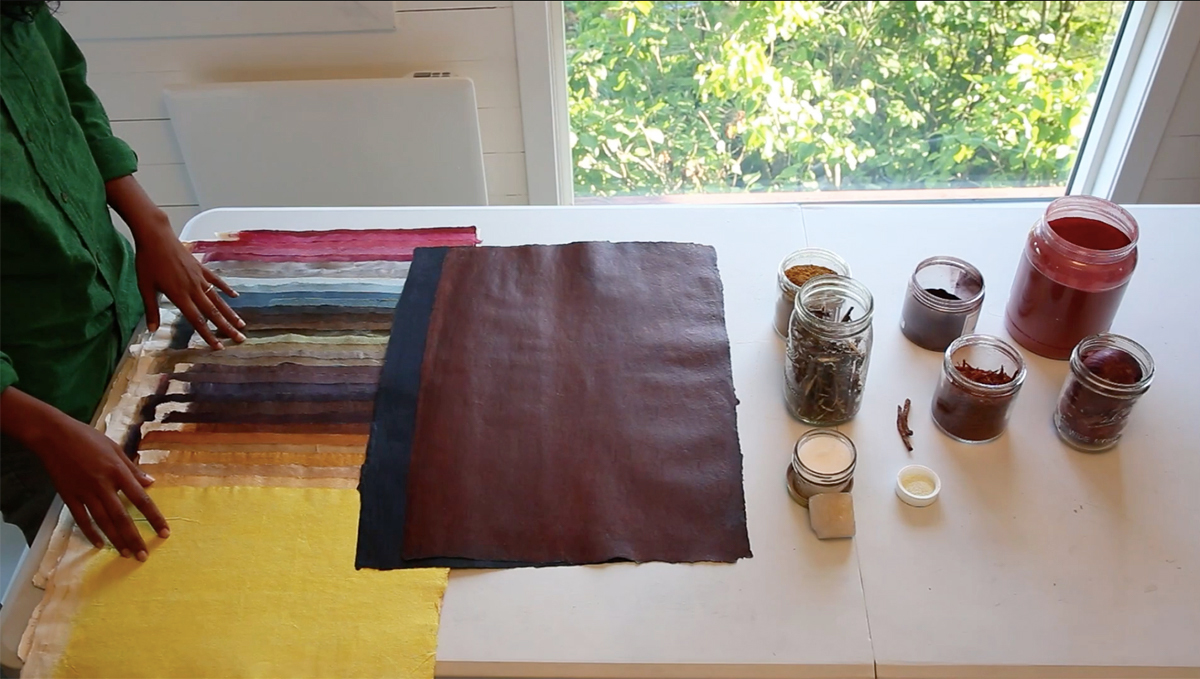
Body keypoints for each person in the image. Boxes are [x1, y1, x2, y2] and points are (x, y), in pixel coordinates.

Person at [1, 1, 245, 561]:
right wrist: (41, 431)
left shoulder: (15, 14)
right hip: (33, 399)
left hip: (111, 306)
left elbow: (70, 97)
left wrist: (150, 222)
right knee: (109, 569)